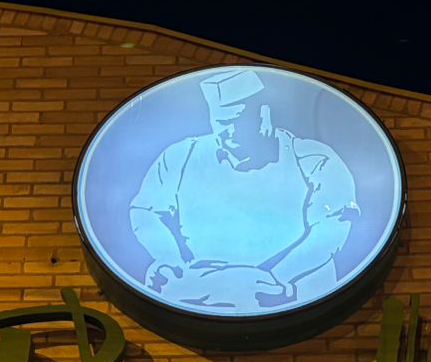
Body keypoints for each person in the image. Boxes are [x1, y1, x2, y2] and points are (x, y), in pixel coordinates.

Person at [128, 69, 359, 312]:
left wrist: (278, 279)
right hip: (201, 289)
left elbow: (333, 225)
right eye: (221, 122)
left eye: (238, 121)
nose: (229, 132)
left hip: (291, 293)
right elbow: (145, 211)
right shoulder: (180, 156)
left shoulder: (312, 158)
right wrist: (170, 260)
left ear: (263, 114)